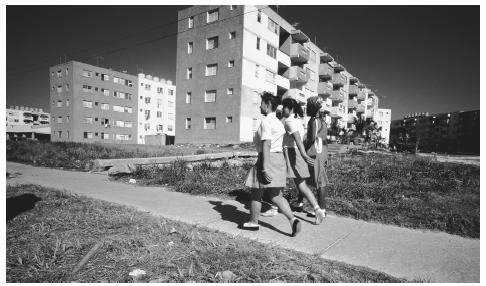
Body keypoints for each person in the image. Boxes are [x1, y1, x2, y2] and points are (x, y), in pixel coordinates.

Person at [243, 92, 301, 237]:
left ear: (268, 105)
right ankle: (293, 220)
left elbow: (266, 144)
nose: (260, 106)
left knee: (256, 193)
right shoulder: (278, 122)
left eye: (262, 103)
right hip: (279, 158)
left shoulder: (266, 121)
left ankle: (253, 222)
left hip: (267, 158)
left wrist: (264, 167)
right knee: (276, 195)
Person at [261, 98, 325, 225]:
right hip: (292, 154)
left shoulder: (290, 122)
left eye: (284, 107)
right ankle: (275, 208)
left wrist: (304, 155)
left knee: (299, 186)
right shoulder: (296, 121)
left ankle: (318, 210)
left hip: (292, 155)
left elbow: (298, 140)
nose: (282, 109)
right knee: (287, 184)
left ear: (290, 109)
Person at [300, 96, 330, 217]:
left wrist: (304, 146)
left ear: (313, 108)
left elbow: (311, 138)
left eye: (308, 107)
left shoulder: (313, 121)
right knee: (313, 179)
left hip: (314, 152)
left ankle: (321, 209)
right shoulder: (323, 121)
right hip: (323, 151)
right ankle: (299, 203)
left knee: (314, 181)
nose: (307, 109)